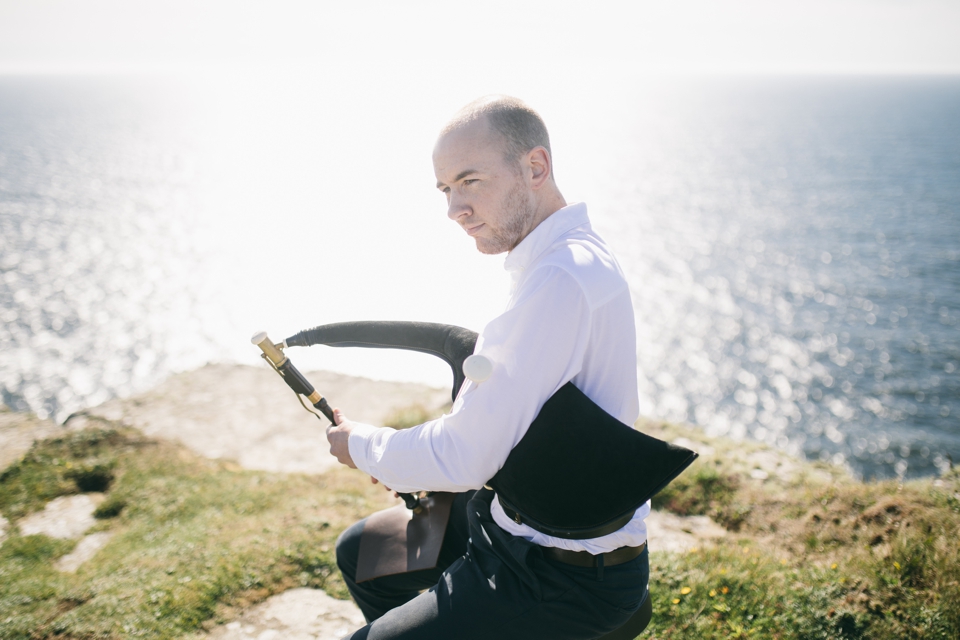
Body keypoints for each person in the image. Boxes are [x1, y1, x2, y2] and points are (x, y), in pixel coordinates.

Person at [325, 95, 649, 640]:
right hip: (510, 525)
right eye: (446, 189)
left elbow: (465, 456)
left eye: (470, 181)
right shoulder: (565, 255)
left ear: (536, 167)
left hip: (555, 573)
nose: (455, 209)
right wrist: (411, 461)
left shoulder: (558, 279)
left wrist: (361, 445)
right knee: (364, 552)